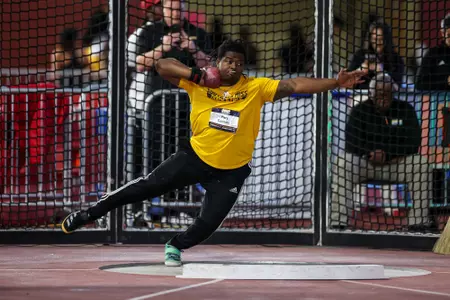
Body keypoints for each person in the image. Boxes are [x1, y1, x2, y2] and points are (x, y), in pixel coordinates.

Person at [61, 39, 366, 266]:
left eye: (239, 62)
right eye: (229, 60)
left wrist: (335, 82)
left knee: (208, 223)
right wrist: (196, 76)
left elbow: (295, 84)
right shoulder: (200, 85)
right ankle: (89, 214)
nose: (234, 66)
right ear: (217, 62)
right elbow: (161, 65)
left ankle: (175, 245)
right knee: (143, 188)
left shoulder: (255, 87)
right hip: (193, 158)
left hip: (231, 171)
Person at [330, 73, 435, 231]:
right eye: (379, 93)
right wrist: (370, 153)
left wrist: (388, 155)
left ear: (393, 93)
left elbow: (413, 142)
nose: (384, 97)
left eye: (387, 93)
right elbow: (352, 142)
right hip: (366, 163)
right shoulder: (360, 111)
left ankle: (418, 222)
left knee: (421, 163)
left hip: (396, 164)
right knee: (344, 161)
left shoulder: (405, 110)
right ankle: (338, 222)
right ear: (371, 94)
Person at [348, 22, 404, 89]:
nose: (378, 43)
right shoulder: (359, 55)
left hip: (385, 97)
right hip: (360, 96)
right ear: (370, 39)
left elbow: (397, 87)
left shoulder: (396, 59)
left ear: (387, 39)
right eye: (375, 39)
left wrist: (382, 73)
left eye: (381, 39)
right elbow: (348, 83)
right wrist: (360, 70)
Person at [416, 13, 450, 91]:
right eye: (449, 35)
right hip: (439, 102)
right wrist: (446, 81)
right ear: (442, 33)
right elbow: (420, 84)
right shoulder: (433, 54)